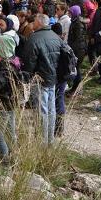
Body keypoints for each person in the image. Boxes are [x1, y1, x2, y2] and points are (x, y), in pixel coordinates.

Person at [20, 14, 62, 144]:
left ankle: (43, 141)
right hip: (53, 78)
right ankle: (50, 139)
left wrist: (26, 79)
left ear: (38, 23)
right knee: (51, 109)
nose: (32, 24)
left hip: (40, 79)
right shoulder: (56, 36)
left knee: (42, 110)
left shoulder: (34, 38)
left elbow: (28, 62)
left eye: (34, 22)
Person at [66, 5, 88, 97]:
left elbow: (78, 39)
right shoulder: (75, 21)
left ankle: (77, 89)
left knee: (77, 69)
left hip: (78, 50)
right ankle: (75, 88)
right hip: (78, 48)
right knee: (76, 68)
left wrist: (71, 49)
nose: (68, 14)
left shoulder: (78, 24)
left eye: (70, 12)